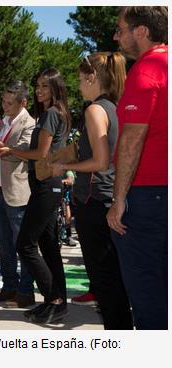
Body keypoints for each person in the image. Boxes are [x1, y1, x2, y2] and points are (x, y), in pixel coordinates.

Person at [52, 51, 133, 329]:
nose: (78, 85)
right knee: (114, 280)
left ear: (91, 77)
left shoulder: (94, 110)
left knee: (106, 282)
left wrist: (66, 166)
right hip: (108, 198)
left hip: (94, 201)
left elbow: (99, 160)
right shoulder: (115, 106)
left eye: (79, 78)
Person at [107, 6, 168, 330]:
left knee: (148, 298)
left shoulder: (146, 71)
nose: (116, 36)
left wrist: (119, 200)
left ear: (141, 31)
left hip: (147, 197)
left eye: (121, 29)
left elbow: (132, 140)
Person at [0, 68, 71, 324]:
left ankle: (54, 299)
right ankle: (56, 301)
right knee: (48, 247)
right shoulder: (52, 113)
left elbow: (40, 154)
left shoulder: (50, 114)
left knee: (25, 244)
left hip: (46, 184)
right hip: (48, 184)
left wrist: (10, 150)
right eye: (37, 86)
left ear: (55, 88)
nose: (39, 91)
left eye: (45, 87)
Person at [0, 80, 36, 308]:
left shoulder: (29, 123)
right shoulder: (4, 122)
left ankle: (26, 292)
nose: (4, 106)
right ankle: (9, 286)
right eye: (3, 101)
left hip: (17, 192)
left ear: (23, 102)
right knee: (3, 243)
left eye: (9, 103)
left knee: (22, 244)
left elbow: (26, 151)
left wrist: (6, 150)